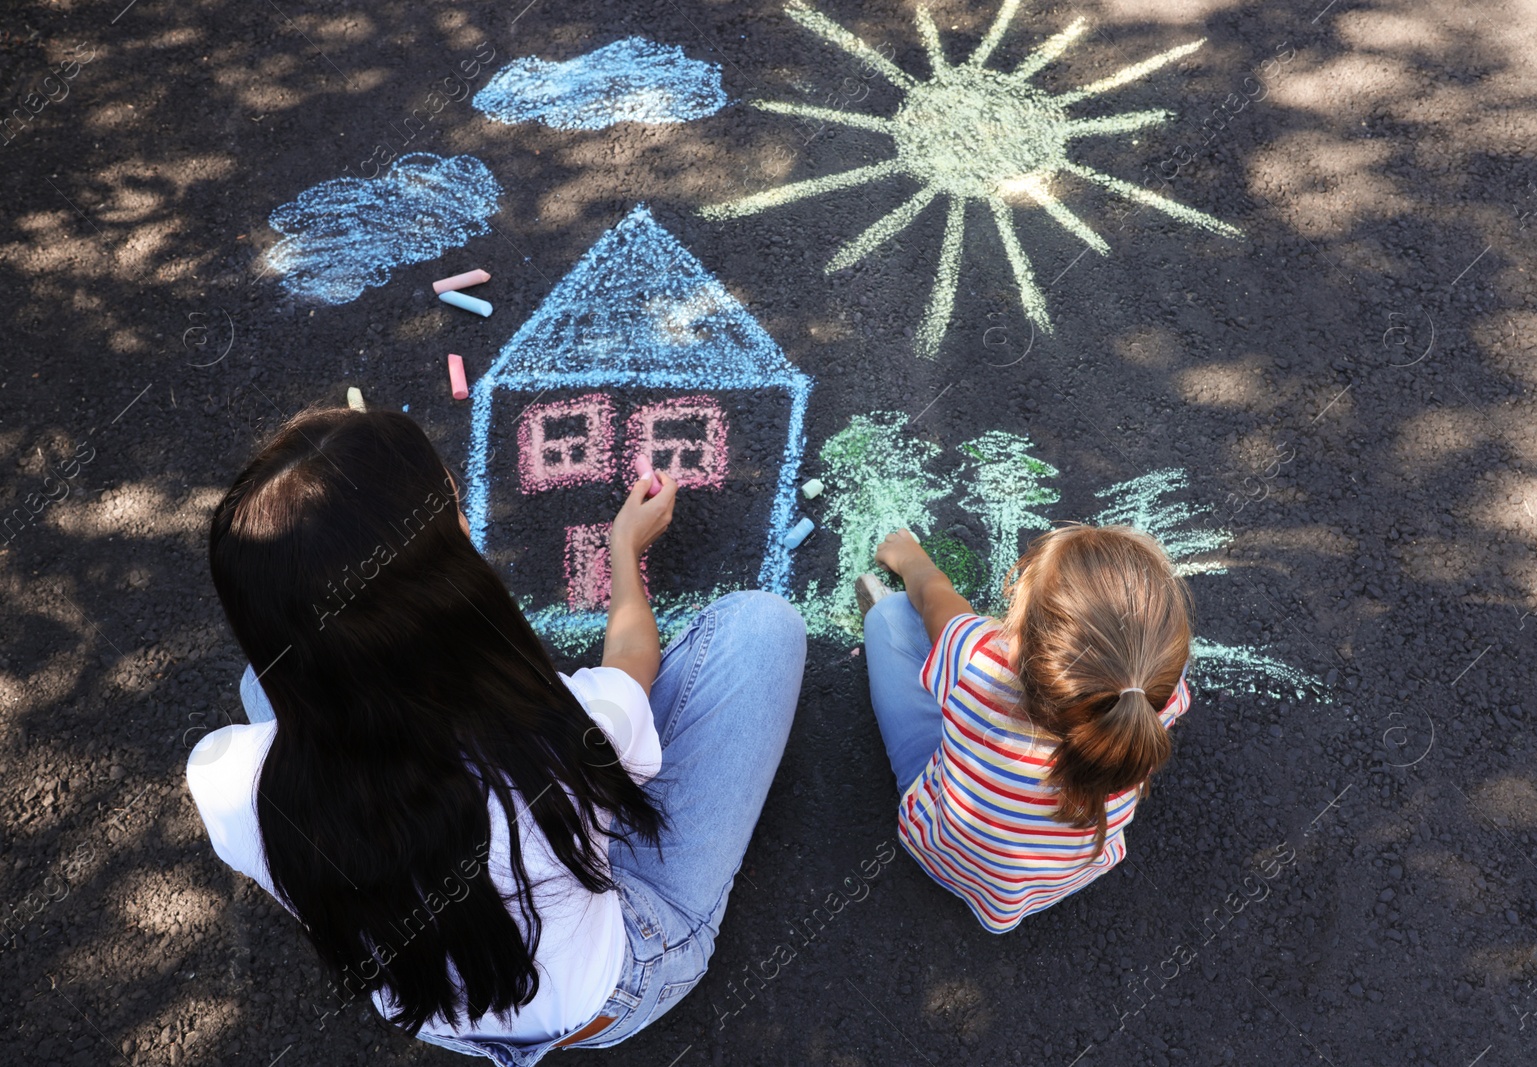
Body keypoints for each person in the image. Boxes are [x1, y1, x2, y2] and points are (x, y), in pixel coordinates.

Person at [186, 407, 805, 1063]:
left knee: (266, 682)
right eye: (451, 510)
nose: (464, 519)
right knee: (761, 630)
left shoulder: (222, 777)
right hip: (612, 990)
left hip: (430, 1010)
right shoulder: (552, 736)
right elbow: (632, 663)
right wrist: (624, 550)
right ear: (436, 579)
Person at [857, 523, 1192, 933]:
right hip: (1067, 875)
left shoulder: (978, 660)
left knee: (889, 618)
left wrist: (911, 559)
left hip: (942, 849)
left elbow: (932, 598)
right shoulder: (1153, 697)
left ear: (1013, 646)